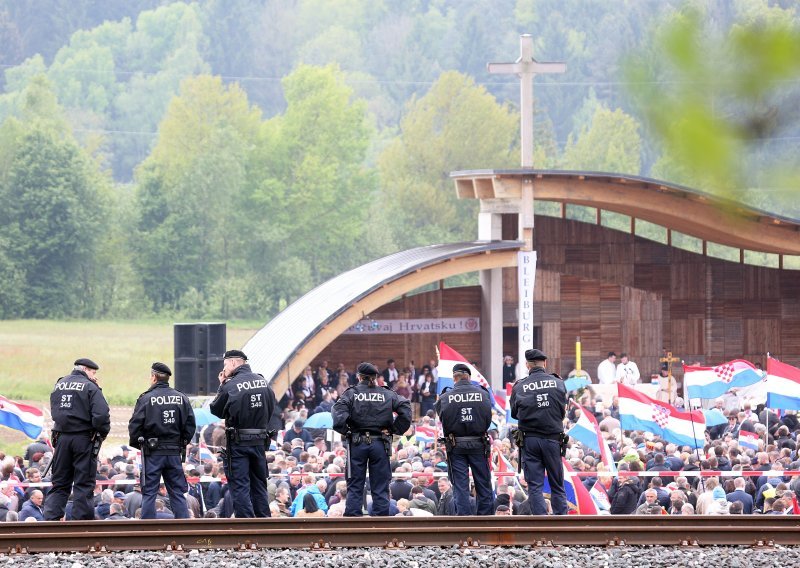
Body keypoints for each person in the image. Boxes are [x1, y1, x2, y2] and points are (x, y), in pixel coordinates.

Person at [332, 362, 412, 517]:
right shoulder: (387, 394)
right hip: (380, 443)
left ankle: (353, 520)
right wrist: (394, 429)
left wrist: (346, 430)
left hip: (357, 442)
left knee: (355, 484)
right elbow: (406, 408)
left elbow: (337, 413)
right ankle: (380, 520)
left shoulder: (351, 393)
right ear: (376, 377)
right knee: (380, 484)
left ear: (359, 377)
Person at [210, 349, 278, 518]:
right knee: (259, 485)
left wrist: (222, 385)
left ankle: (246, 526)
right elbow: (271, 408)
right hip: (259, 441)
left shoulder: (231, 385)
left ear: (233, 363)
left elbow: (216, 410)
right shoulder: (263, 382)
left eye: (225, 365)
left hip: (238, 443)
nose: (224, 369)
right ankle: (264, 524)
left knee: (240, 486)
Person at [44, 358, 111, 521]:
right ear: (86, 370)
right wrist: (100, 434)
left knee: (60, 482)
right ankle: (81, 523)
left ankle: (50, 520)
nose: (94, 376)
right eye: (93, 373)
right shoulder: (90, 386)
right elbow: (101, 416)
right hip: (83, 438)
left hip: (61, 438)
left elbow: (55, 411)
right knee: (83, 483)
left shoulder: (60, 383)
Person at [128, 362, 196, 519]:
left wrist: (140, 445)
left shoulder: (146, 399)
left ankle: (148, 534)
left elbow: (134, 426)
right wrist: (182, 442)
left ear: (153, 377)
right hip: (173, 451)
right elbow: (190, 425)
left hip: (152, 452)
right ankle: (183, 532)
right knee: (177, 493)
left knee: (149, 493)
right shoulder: (181, 398)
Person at [510, 349, 568, 515]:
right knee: (557, 484)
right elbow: (563, 410)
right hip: (553, 440)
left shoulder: (520, 386)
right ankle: (562, 523)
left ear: (528, 365)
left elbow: (514, 413)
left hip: (531, 441)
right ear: (545, 364)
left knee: (535, 486)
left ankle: (540, 522)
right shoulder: (558, 382)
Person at [435, 363, 493, 515]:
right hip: (478, 443)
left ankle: (464, 520)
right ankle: (486, 519)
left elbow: (443, 419)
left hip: (456, 446)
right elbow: (488, 419)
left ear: (454, 379)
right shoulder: (483, 394)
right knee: (483, 483)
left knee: (460, 486)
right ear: (469, 378)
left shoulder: (445, 397)